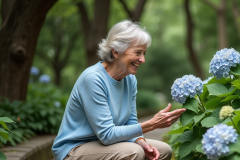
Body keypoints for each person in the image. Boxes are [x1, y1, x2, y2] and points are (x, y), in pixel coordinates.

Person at [51, 20, 186, 160]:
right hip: (75, 148)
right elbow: (107, 135)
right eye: (137, 53)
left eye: (144, 53)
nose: (142, 59)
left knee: (164, 150)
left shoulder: (130, 78)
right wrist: (151, 124)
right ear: (116, 52)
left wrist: (141, 141)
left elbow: (131, 120)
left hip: (105, 144)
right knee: (134, 152)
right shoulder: (93, 79)